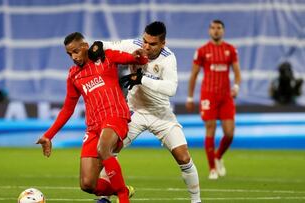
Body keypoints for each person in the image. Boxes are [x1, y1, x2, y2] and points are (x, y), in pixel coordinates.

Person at [36, 32, 148, 203]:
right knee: (88, 184)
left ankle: (124, 198)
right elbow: (67, 109)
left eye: (75, 51)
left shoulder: (106, 57)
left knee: (103, 149)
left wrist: (140, 57)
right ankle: (123, 189)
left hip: (115, 115)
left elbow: (135, 60)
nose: (73, 57)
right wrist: (48, 136)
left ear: (85, 46)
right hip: (93, 126)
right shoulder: (74, 75)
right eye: (69, 54)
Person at [97, 21, 201, 203]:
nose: (146, 46)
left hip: (161, 115)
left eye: (152, 44)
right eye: (145, 41)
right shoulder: (134, 45)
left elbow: (171, 89)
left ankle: (196, 201)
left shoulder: (169, 58)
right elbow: (105, 46)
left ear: (163, 44)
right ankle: (104, 197)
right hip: (134, 112)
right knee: (109, 149)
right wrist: (97, 46)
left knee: (183, 157)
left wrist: (142, 79)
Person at [186, 20, 242, 180]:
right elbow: (194, 75)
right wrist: (190, 97)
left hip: (226, 97)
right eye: (213, 28)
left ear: (223, 31)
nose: (216, 31)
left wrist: (236, 87)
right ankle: (212, 169)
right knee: (210, 128)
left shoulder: (230, 50)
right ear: (209, 31)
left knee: (229, 133)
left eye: (218, 28)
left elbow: (237, 73)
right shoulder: (202, 51)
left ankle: (217, 156)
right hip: (208, 95)